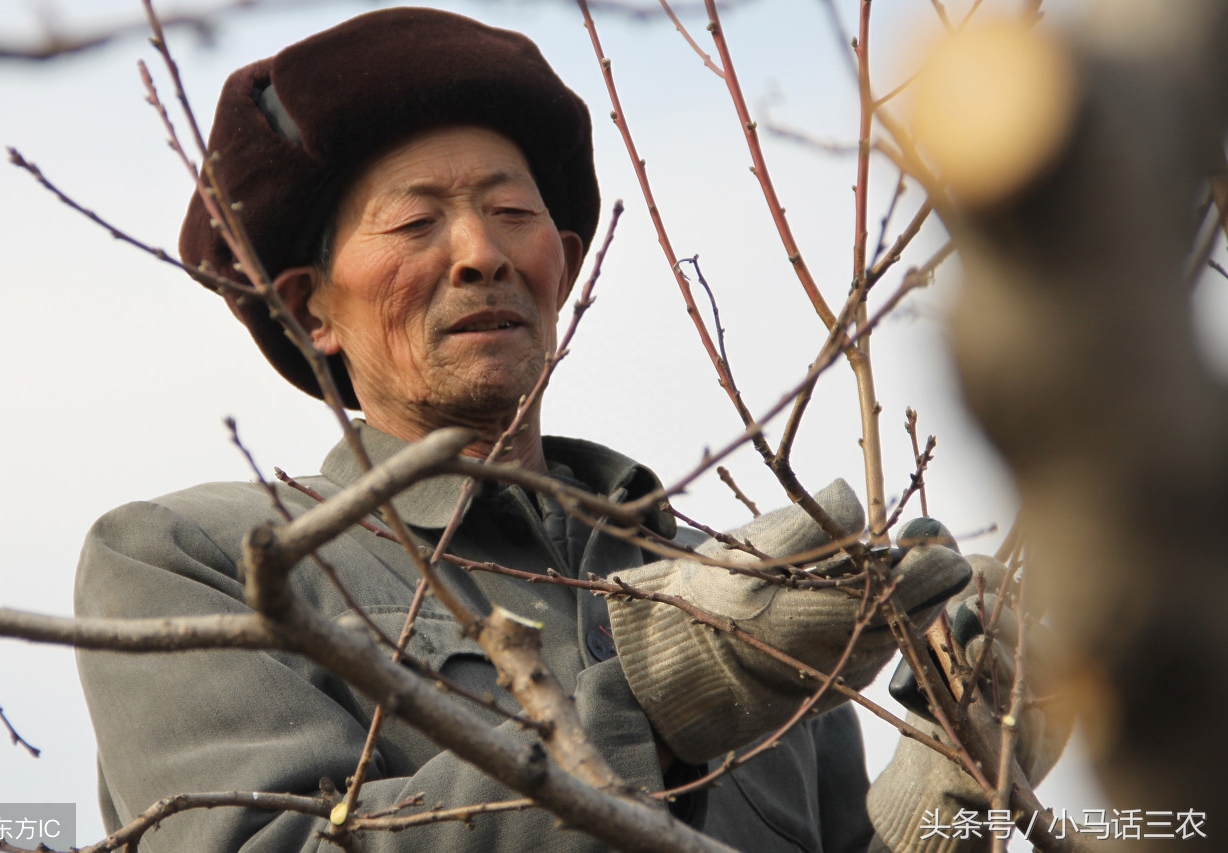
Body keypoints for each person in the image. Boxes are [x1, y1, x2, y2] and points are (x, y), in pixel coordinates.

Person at [74, 8, 1064, 852]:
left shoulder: (745, 598)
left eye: (511, 212)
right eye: (416, 224)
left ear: (563, 261)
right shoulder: (204, 564)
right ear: (309, 310)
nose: (479, 254)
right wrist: (657, 704)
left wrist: (956, 772)